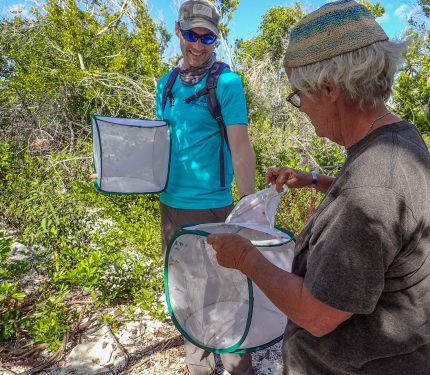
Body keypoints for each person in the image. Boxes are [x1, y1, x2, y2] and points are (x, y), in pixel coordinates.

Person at [207, 1, 430, 374]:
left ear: (329, 88)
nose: (301, 108)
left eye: (298, 96)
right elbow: (382, 209)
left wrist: (245, 258)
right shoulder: (395, 140)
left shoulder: (375, 185)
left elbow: (317, 315)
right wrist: (316, 181)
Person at [155, 1, 256, 374]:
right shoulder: (164, 85)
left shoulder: (227, 83)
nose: (198, 45)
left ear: (216, 39)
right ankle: (198, 366)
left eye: (208, 37)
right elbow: (159, 144)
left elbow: (241, 146)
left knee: (226, 290)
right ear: (179, 31)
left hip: (214, 207)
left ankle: (237, 365)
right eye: (192, 34)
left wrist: (248, 206)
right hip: (170, 206)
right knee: (184, 291)